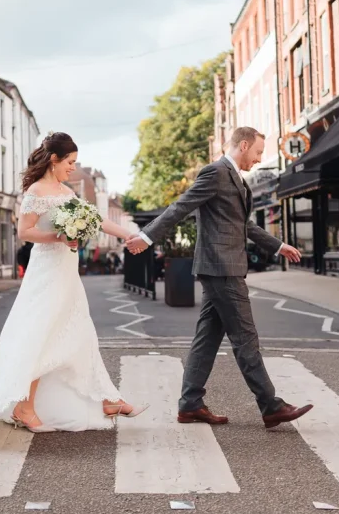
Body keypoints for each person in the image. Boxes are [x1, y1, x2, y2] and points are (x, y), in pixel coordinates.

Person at [0, 132, 145, 435]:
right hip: (47, 271)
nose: (72, 167)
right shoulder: (36, 192)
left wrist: (128, 236)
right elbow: (25, 233)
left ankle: (107, 398)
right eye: (69, 162)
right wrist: (59, 236)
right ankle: (24, 406)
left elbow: (95, 219)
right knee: (42, 334)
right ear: (54, 160)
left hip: (68, 272)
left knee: (80, 330)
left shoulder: (66, 191)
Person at [125, 126, 310, 430]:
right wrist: (147, 236)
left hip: (222, 267)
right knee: (245, 338)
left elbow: (243, 225)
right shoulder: (216, 172)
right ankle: (271, 405)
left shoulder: (234, 176)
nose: (259, 159)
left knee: (207, 339)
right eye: (258, 152)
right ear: (244, 145)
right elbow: (181, 207)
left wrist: (277, 245)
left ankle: (190, 405)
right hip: (221, 268)